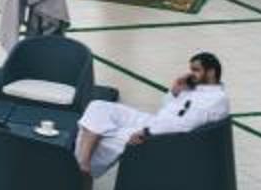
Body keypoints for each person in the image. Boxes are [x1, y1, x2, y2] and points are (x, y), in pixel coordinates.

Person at [72, 53, 227, 177]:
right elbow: (167, 110)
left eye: (196, 70)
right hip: (155, 122)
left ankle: (81, 175)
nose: (191, 74)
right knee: (99, 106)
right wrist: (175, 91)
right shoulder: (196, 89)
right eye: (191, 70)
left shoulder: (214, 100)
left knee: (101, 133)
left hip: (163, 138)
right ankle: (83, 163)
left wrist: (147, 132)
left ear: (211, 72)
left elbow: (183, 125)